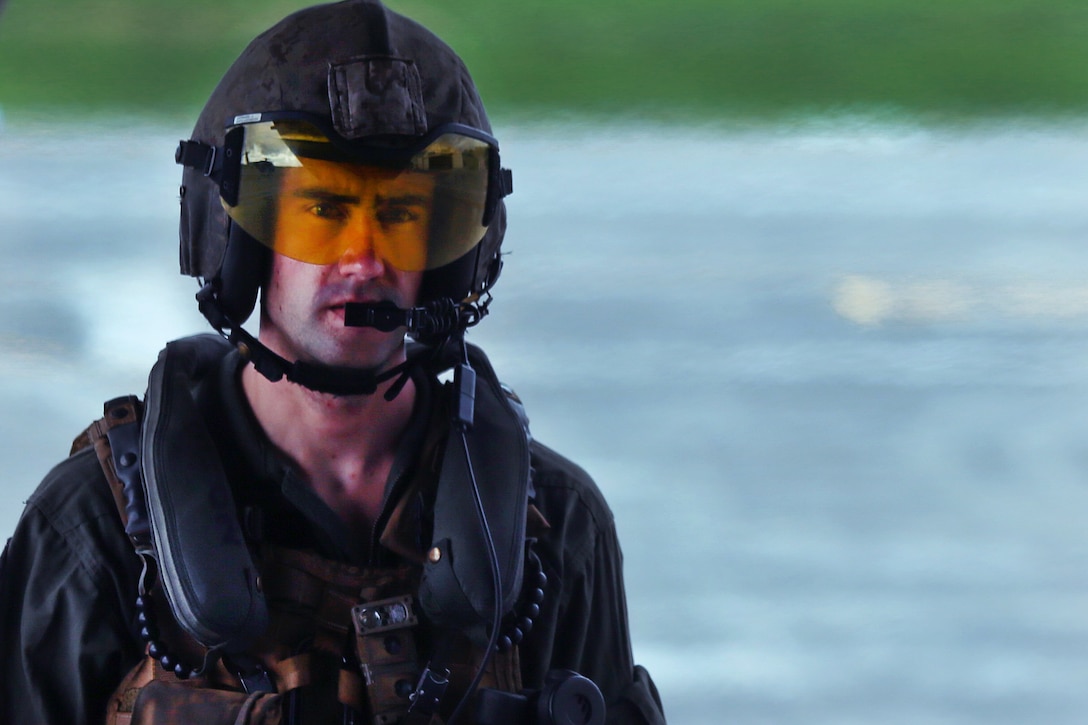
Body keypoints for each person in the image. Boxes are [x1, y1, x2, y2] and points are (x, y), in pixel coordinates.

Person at [0, 1, 667, 724]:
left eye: (402, 215)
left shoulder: (557, 530)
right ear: (235, 239)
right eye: (322, 211)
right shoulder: (90, 530)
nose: (364, 259)